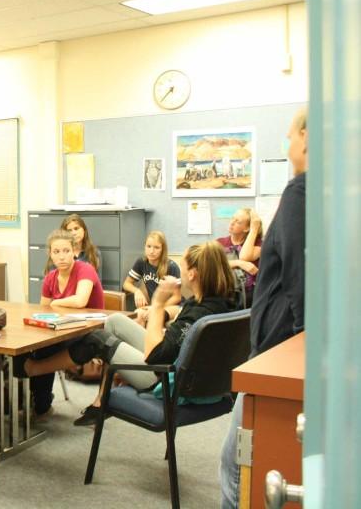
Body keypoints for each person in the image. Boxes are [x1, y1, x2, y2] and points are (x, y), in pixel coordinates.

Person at [27, 241, 237, 426]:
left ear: (192, 274)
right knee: (115, 321)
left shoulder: (197, 315)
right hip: (196, 378)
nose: (179, 272)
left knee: (98, 340)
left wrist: (157, 305)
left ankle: (36, 368)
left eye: (182, 267)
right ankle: (102, 398)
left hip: (165, 380)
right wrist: (164, 313)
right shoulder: (220, 304)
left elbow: (155, 354)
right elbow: (182, 319)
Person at [220, 109, 307, 509]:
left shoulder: (301, 193)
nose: (287, 144)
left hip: (276, 361)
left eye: (289, 135)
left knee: (238, 466)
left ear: (306, 136)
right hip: (282, 359)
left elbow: (302, 281)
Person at [28, 230, 104, 418]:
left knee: (46, 350)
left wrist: (55, 302)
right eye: (56, 252)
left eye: (66, 251)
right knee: (37, 347)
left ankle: (41, 404)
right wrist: (50, 308)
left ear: (74, 252)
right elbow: (43, 311)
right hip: (63, 329)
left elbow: (80, 301)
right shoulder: (50, 278)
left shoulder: (85, 269)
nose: (61, 256)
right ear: (50, 254)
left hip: (90, 331)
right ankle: (40, 403)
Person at [123, 231, 181, 323]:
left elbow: (177, 297)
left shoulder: (172, 266)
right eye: (148, 246)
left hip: (173, 306)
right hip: (154, 306)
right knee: (137, 315)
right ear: (144, 246)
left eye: (156, 247)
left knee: (152, 317)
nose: (151, 251)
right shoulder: (142, 262)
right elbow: (126, 284)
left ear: (163, 249)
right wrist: (137, 291)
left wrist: (156, 307)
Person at [216, 208, 263, 307]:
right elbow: (213, 264)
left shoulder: (258, 244)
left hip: (248, 297)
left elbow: (244, 256)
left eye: (238, 221)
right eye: (233, 218)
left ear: (247, 228)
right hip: (224, 293)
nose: (232, 222)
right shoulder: (219, 243)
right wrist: (239, 263)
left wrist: (254, 230)